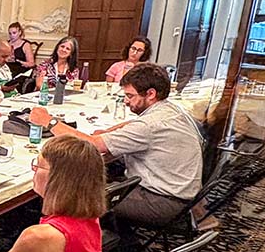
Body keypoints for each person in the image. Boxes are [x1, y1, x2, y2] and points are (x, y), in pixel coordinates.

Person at [29, 63, 203, 226]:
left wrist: (49, 122)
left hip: (160, 201)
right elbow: (132, 125)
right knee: (96, 178)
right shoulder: (168, 110)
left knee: (74, 197)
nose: (126, 101)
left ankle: (104, 246)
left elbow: (92, 145)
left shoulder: (149, 126)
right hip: (179, 194)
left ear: (150, 94)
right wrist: (108, 132)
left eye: (130, 96)